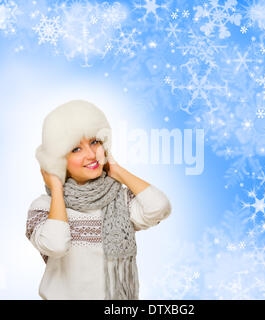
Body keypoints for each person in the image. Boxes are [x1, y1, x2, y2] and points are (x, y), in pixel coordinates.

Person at [25, 100, 172, 300]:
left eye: (95, 142)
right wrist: (57, 188)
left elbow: (159, 207)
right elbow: (56, 245)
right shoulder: (44, 207)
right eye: (76, 149)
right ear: (59, 159)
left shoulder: (120, 199)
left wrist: (117, 170)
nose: (92, 154)